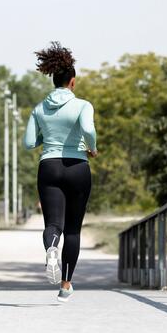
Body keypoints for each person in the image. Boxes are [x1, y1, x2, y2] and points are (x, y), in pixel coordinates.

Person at [23, 42, 98, 302]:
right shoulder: (83, 105)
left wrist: (49, 135)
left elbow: (29, 143)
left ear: (53, 80)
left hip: (49, 167)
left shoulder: (39, 109)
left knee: (53, 224)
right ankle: (65, 285)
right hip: (77, 167)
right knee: (74, 230)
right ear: (73, 82)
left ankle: (51, 248)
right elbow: (88, 129)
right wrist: (92, 147)